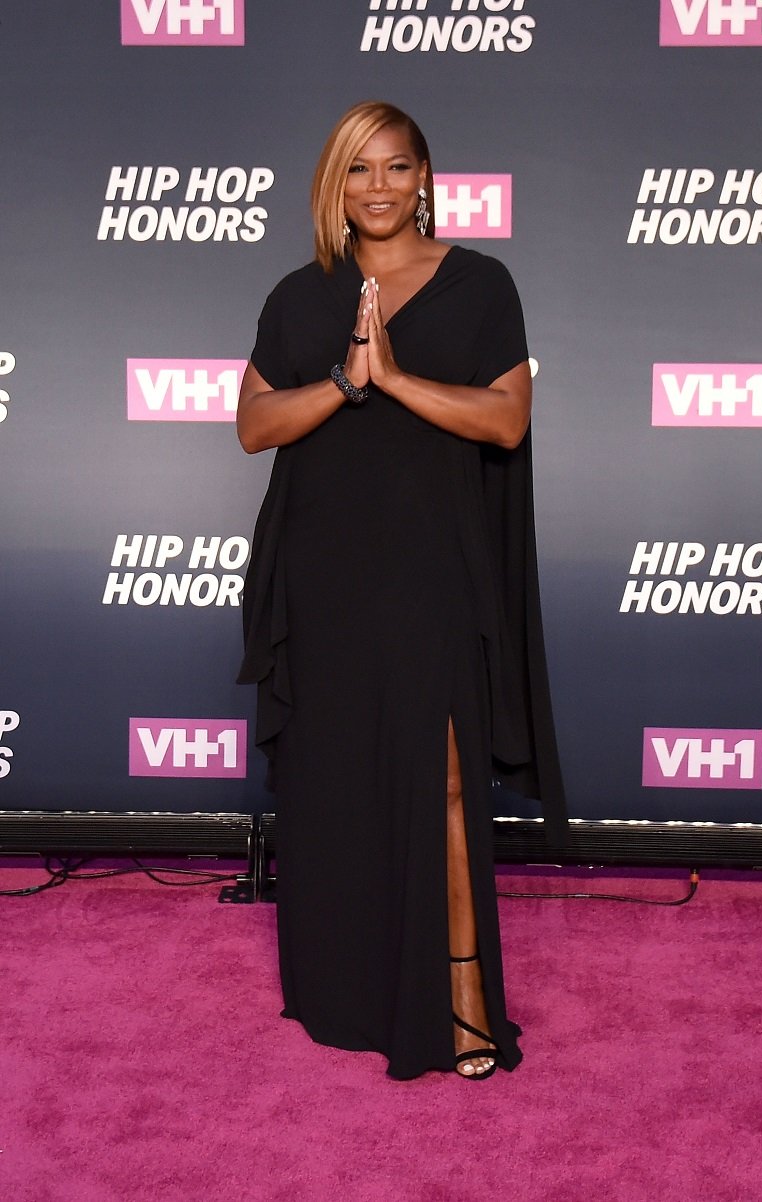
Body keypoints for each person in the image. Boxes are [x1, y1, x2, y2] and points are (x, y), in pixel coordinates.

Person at [236, 101, 568, 1081]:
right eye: (356, 171)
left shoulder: (478, 284)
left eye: (394, 168)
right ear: (333, 187)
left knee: (448, 777)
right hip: (326, 573)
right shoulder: (302, 295)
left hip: (433, 569)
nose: (376, 188)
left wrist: (392, 376)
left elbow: (506, 417)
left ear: (425, 176)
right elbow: (254, 423)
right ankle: (350, 989)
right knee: (338, 784)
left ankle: (463, 992)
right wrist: (340, 383)